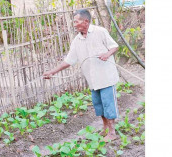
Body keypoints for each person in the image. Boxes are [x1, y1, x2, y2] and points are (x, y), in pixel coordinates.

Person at [43, 9, 119, 141]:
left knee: (108, 105)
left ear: (86, 21)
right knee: (99, 106)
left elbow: (114, 46)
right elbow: (69, 60)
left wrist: (107, 54)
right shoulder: (77, 40)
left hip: (106, 77)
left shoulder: (100, 32)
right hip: (92, 79)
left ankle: (112, 133)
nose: (74, 24)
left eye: (76, 21)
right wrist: (52, 72)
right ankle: (105, 128)